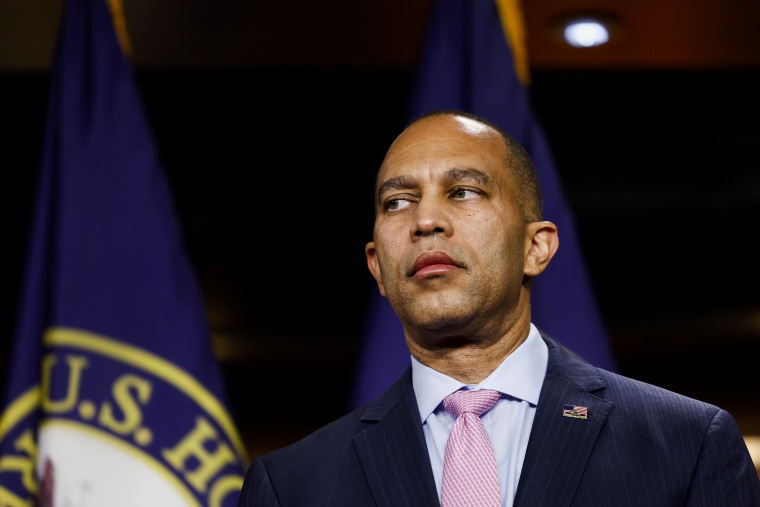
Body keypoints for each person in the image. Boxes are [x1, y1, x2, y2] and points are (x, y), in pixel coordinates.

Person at [238, 110, 760, 506]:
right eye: (397, 202)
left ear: (537, 247)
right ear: (377, 265)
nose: (425, 222)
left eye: (463, 191)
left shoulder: (687, 445)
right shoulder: (291, 486)